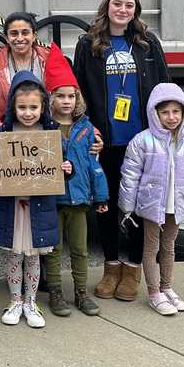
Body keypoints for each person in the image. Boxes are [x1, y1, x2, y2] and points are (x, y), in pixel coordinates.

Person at [73, 0, 170, 304]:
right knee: (107, 204)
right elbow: (79, 91)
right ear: (107, 7)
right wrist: (87, 129)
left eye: (129, 5)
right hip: (106, 140)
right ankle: (111, 267)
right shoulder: (89, 44)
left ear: (136, 11)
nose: (123, 10)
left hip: (142, 140)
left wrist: (170, 131)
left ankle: (132, 270)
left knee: (141, 206)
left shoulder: (147, 44)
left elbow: (163, 90)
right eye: (118, 4)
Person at [0, 71, 63, 329]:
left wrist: (67, 168)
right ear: (13, 106)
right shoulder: (3, 133)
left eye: (33, 107)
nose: (28, 113)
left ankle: (31, 302)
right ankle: (15, 301)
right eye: (22, 107)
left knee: (34, 257)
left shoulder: (52, 133)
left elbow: (60, 169)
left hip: (38, 209)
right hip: (12, 209)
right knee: (14, 256)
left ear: (43, 107)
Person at [118, 83, 184, 316]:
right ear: (155, 113)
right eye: (165, 112)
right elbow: (130, 175)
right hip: (151, 206)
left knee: (169, 247)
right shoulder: (142, 141)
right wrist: (127, 206)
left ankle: (167, 287)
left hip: (176, 205)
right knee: (151, 248)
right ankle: (154, 293)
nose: (171, 117)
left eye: (176, 111)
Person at [40, 45, 109, 317]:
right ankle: (56, 291)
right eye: (60, 96)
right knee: (54, 248)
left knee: (80, 249)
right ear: (51, 98)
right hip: (53, 198)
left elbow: (95, 167)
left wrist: (101, 197)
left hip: (79, 199)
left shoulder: (87, 129)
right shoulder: (44, 129)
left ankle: (81, 291)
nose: (67, 101)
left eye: (71, 96)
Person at [0, 12, 50, 133]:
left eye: (25, 32)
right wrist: (0, 129)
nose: (20, 38)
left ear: (34, 35)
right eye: (14, 33)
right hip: (7, 137)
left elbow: (70, 96)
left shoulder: (49, 60)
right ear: (6, 37)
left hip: (45, 135)